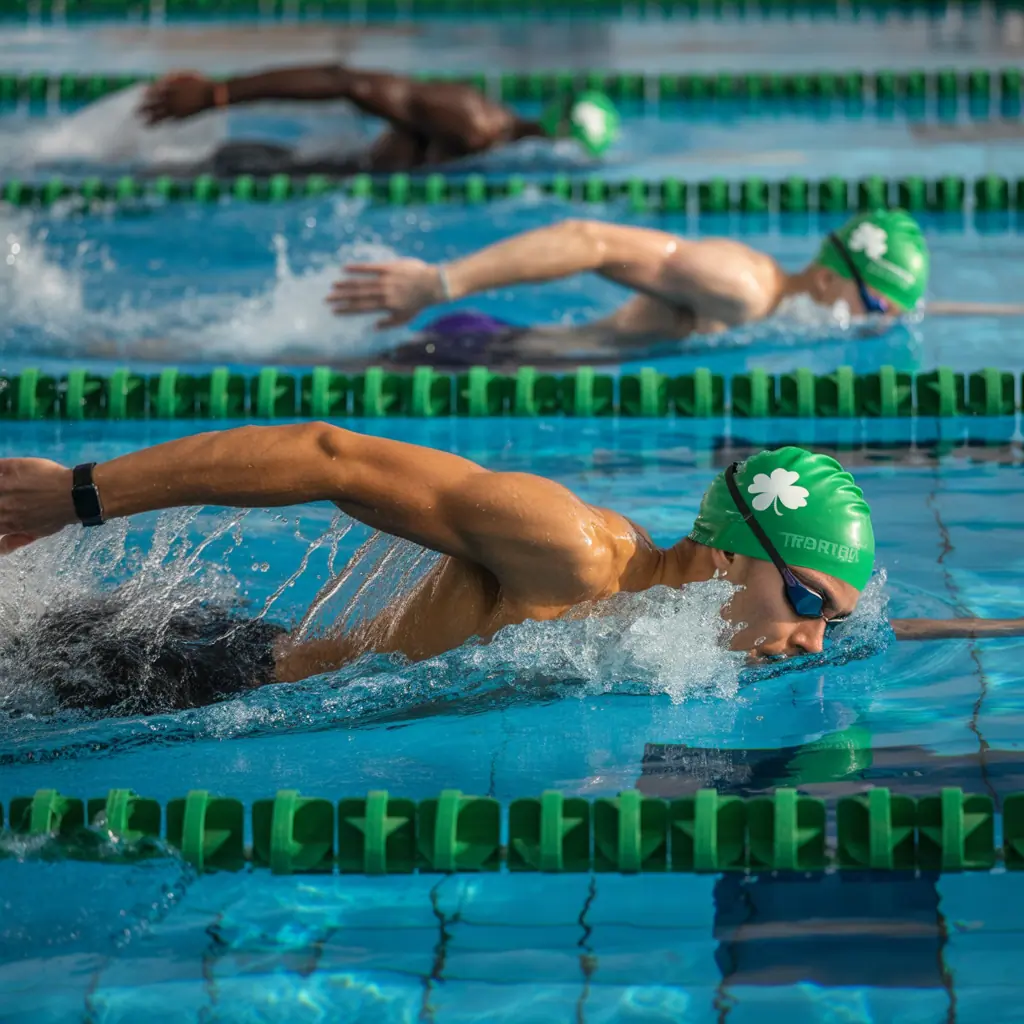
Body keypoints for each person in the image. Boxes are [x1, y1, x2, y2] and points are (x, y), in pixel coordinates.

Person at [0, 432, 1020, 714]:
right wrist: (77, 493)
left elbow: (866, 622)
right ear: (726, 550)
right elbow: (331, 460)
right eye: (805, 602)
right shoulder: (570, 549)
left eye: (827, 623)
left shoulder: (681, 622)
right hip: (184, 675)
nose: (808, 637)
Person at [327, 207, 931, 368]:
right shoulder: (741, 288)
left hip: (497, 351)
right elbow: (589, 239)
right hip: (471, 356)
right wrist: (438, 282)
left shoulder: (768, 300)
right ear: (829, 276)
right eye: (875, 305)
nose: (877, 321)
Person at [139, 65, 620, 177]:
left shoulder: (495, 145)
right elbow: (346, 80)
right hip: (266, 170)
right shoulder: (471, 123)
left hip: (299, 169)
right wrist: (217, 95)